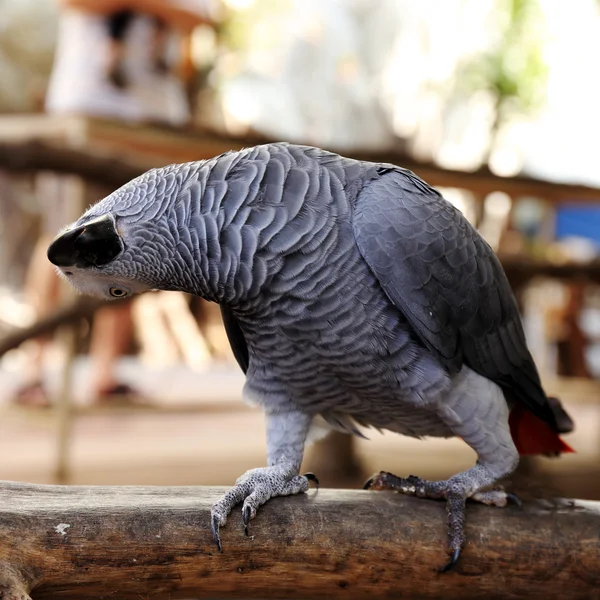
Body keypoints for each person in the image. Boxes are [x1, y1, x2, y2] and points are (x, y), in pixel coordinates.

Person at [14, 0, 217, 407]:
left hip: (153, 120)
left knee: (133, 241)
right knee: (61, 236)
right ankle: (34, 369)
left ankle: (106, 372)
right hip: (86, 112)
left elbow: (203, 17)